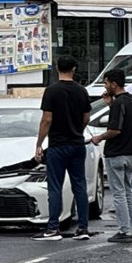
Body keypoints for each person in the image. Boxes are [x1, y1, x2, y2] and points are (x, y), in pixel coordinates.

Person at [33, 56, 92, 241]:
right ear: (74, 68)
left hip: (58, 145)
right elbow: (86, 118)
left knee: (55, 187)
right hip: (77, 144)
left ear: (57, 68)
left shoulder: (51, 91)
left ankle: (53, 228)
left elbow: (46, 119)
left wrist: (39, 143)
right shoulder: (81, 91)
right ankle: (83, 228)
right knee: (79, 186)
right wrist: (77, 131)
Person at [90, 70, 132, 243]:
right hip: (131, 152)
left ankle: (124, 230)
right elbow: (126, 120)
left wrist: (99, 137)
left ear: (114, 84)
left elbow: (115, 129)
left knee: (119, 194)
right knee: (129, 193)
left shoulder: (118, 104)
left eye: (106, 83)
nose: (106, 86)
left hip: (116, 153)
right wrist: (109, 104)